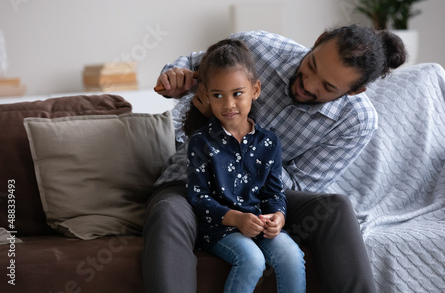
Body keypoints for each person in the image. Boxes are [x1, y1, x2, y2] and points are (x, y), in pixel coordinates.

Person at [143, 24, 407, 293]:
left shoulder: (357, 121)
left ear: (354, 91)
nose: (308, 83)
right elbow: (192, 64)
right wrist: (175, 81)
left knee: (336, 207)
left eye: (327, 86)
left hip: (263, 198)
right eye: (312, 65)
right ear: (317, 41)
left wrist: (246, 141)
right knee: (168, 210)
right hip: (194, 182)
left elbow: (300, 185)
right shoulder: (257, 48)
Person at [185, 39, 306, 293]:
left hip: (259, 223)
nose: (228, 104)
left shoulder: (269, 142)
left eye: (237, 94)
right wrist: (237, 219)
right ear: (206, 94)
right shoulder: (201, 142)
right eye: (218, 95)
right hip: (219, 229)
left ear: (255, 90)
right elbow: (198, 198)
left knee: (291, 255)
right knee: (252, 259)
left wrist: (278, 217)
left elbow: (274, 193)